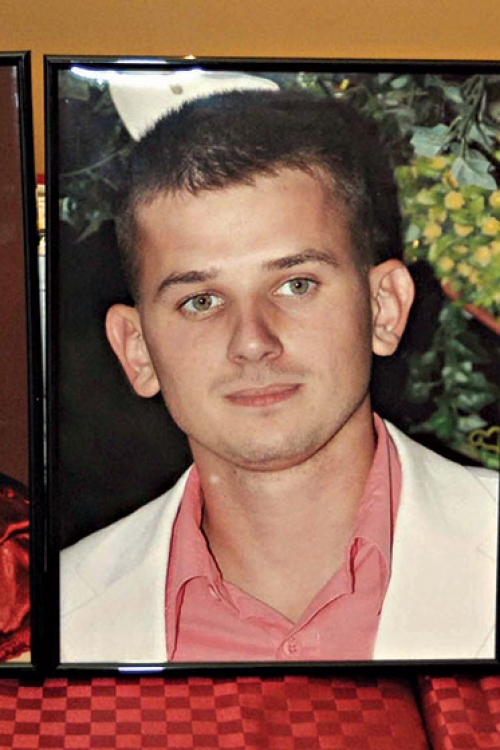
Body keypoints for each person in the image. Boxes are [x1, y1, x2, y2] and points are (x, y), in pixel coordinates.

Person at [60, 89, 498, 664]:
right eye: (200, 300)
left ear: (383, 308)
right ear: (137, 350)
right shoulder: (52, 620)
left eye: (296, 285)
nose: (252, 342)